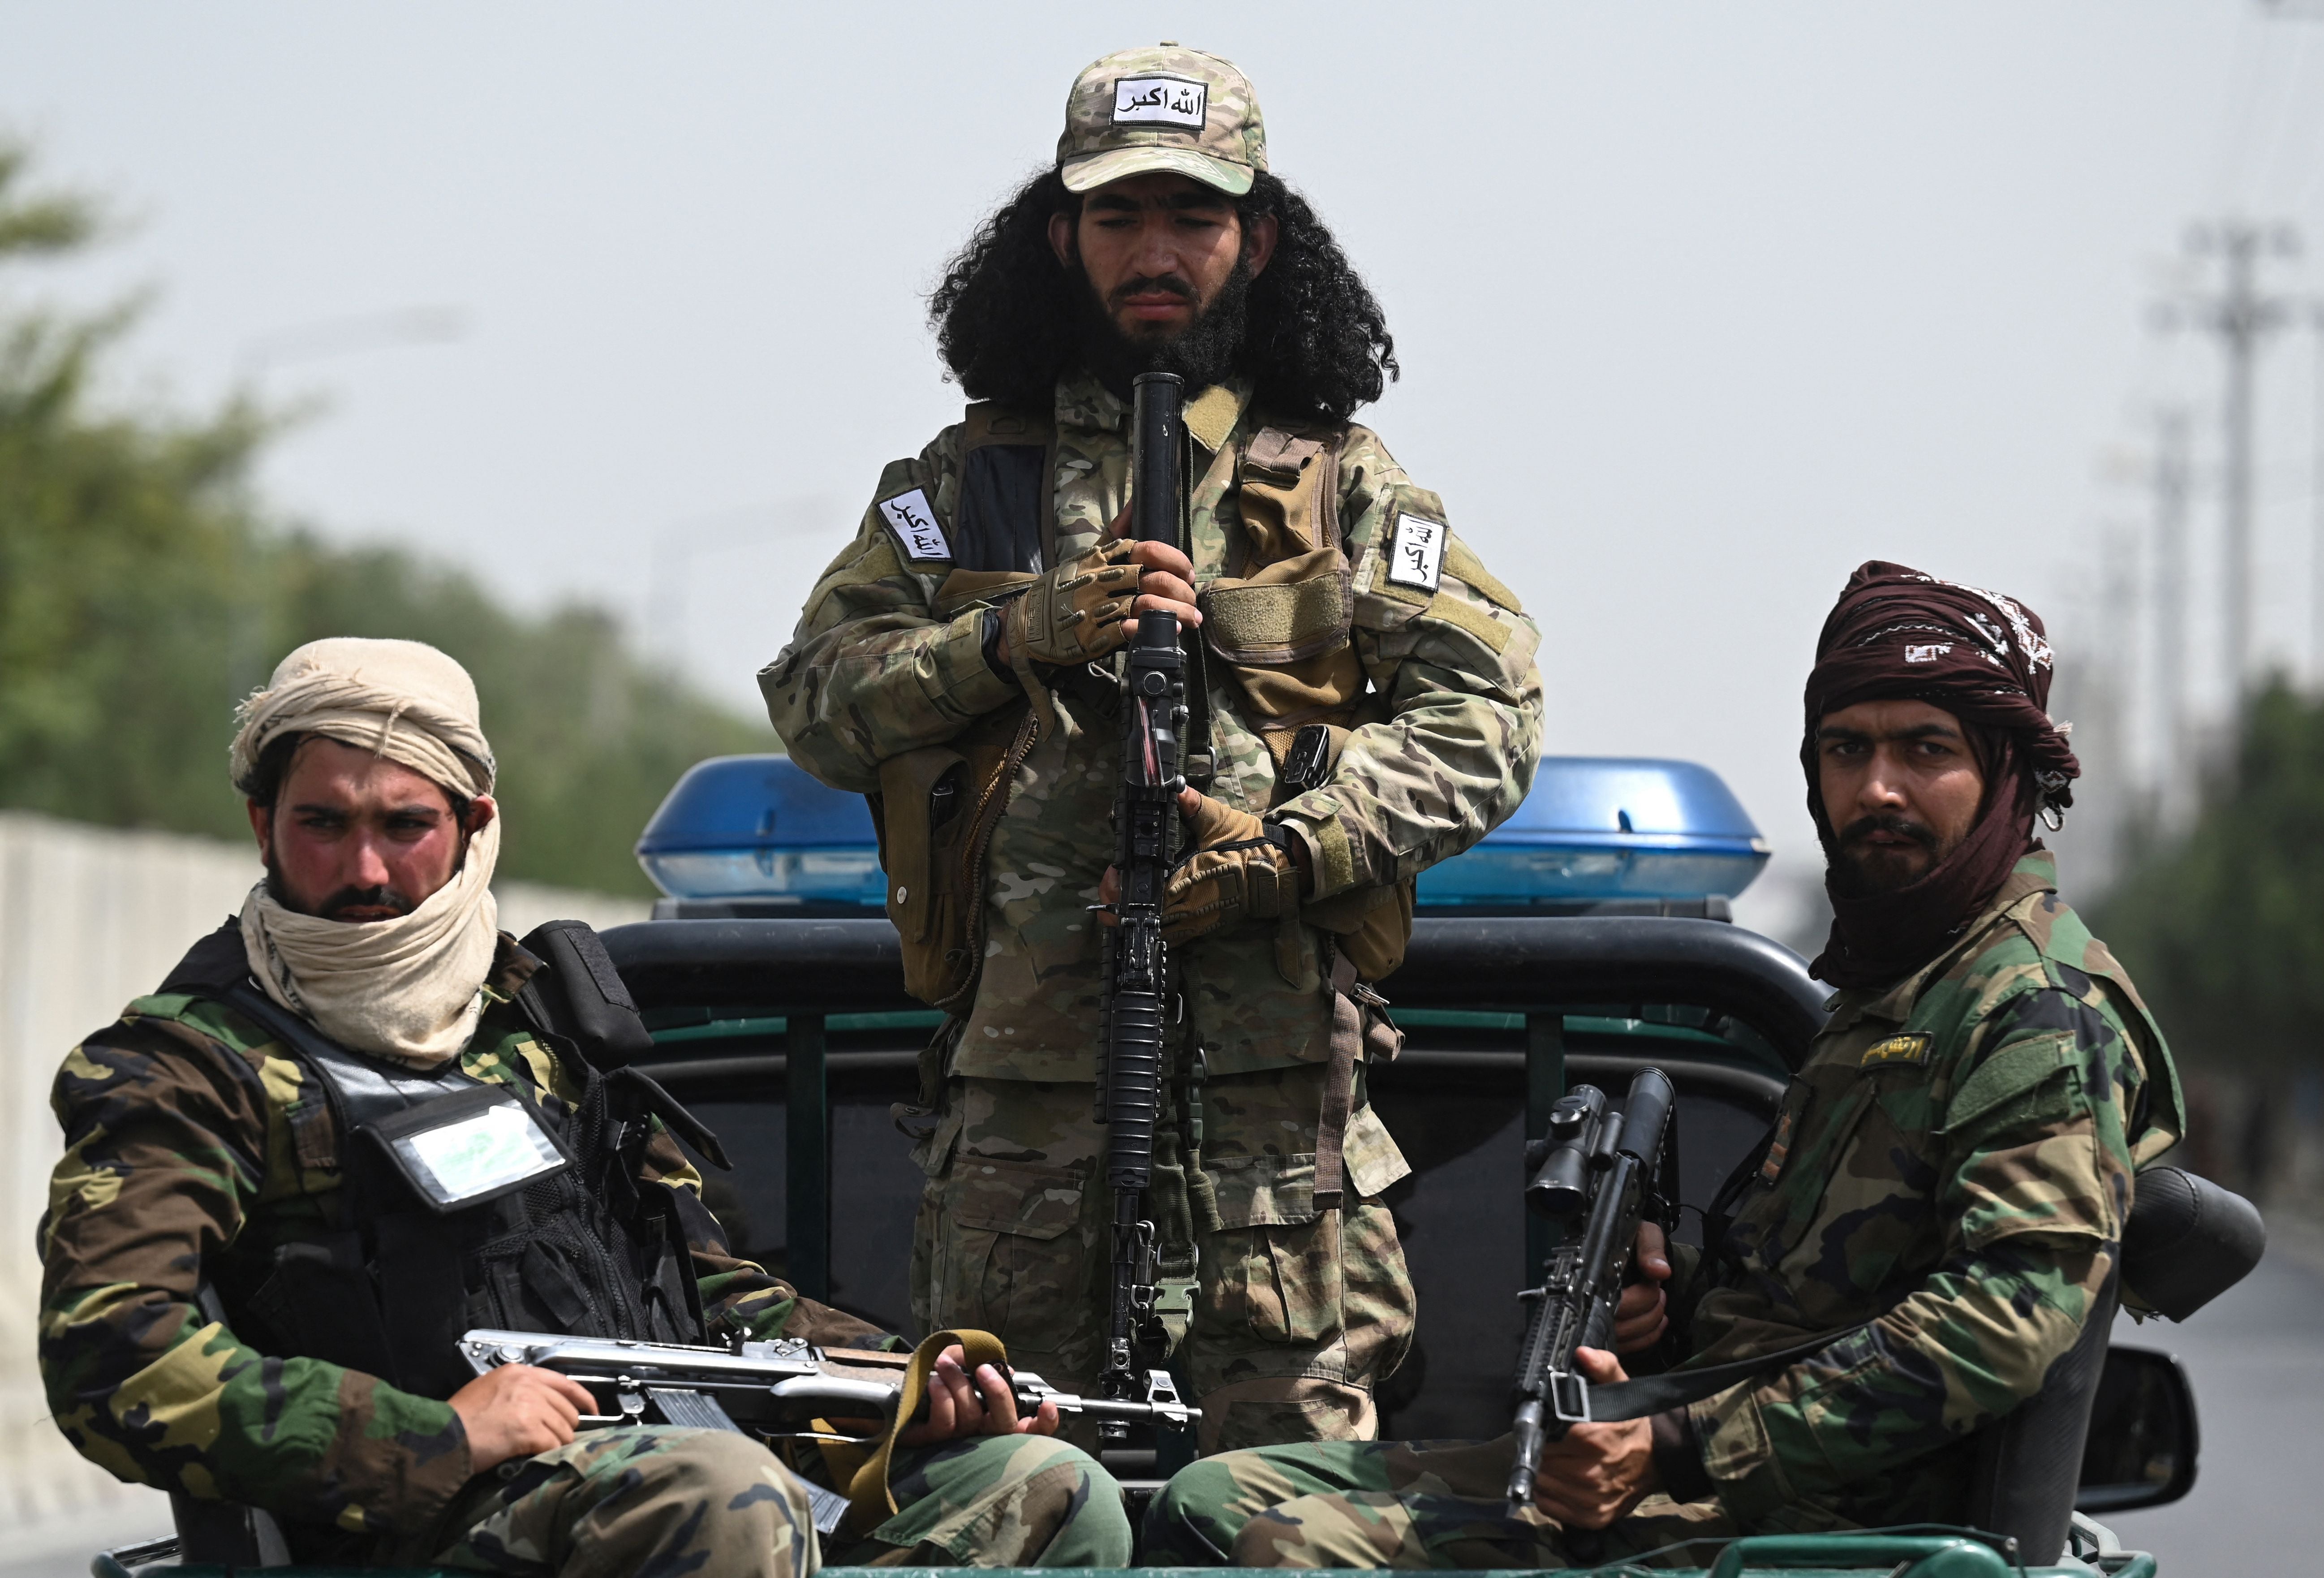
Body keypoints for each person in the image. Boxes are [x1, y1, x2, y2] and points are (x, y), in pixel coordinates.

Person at [764, 43, 1543, 1454]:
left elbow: (1490, 715)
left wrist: (1288, 849)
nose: (1156, 252)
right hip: (1021, 1139)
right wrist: (1010, 641)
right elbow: (815, 697)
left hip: (1276, 1159)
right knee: (1010, 1503)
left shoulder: (1340, 489)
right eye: (1120, 216)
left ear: (1256, 238)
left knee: (1281, 1520)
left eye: (1193, 216)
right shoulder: (964, 490)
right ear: (1059, 235)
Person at [1140, 560, 2186, 1565]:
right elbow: (1811, 1293)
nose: (1876, 790)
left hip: (1818, 1529)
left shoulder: (2034, 1009)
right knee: (1212, 1494)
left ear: (2004, 770)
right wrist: (1669, 1298)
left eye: (1924, 750)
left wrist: (1674, 1446)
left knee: (1271, 1548)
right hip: (1708, 1480)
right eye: (1844, 750)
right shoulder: (1898, 988)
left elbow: (2004, 1318)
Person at [39, 638, 1129, 1576]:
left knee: (1045, 1485)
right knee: (726, 1496)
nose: (363, 867)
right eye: (322, 824)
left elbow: (702, 1299)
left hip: (670, 1476)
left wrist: (892, 1375)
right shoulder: (189, 1064)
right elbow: (113, 1355)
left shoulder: (536, 1026)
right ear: (261, 825)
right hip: (419, 1520)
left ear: (472, 824)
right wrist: (435, 1437)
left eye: (403, 824)